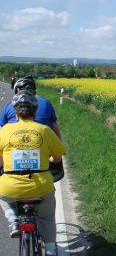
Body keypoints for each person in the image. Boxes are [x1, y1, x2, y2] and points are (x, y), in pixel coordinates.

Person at [0, 90, 66, 255]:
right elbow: (57, 158)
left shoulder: (5, 130)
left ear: (15, 111)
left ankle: (12, 218)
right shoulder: (44, 130)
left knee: (2, 194)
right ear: (35, 111)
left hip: (11, 189)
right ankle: (51, 250)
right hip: (41, 187)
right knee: (47, 218)